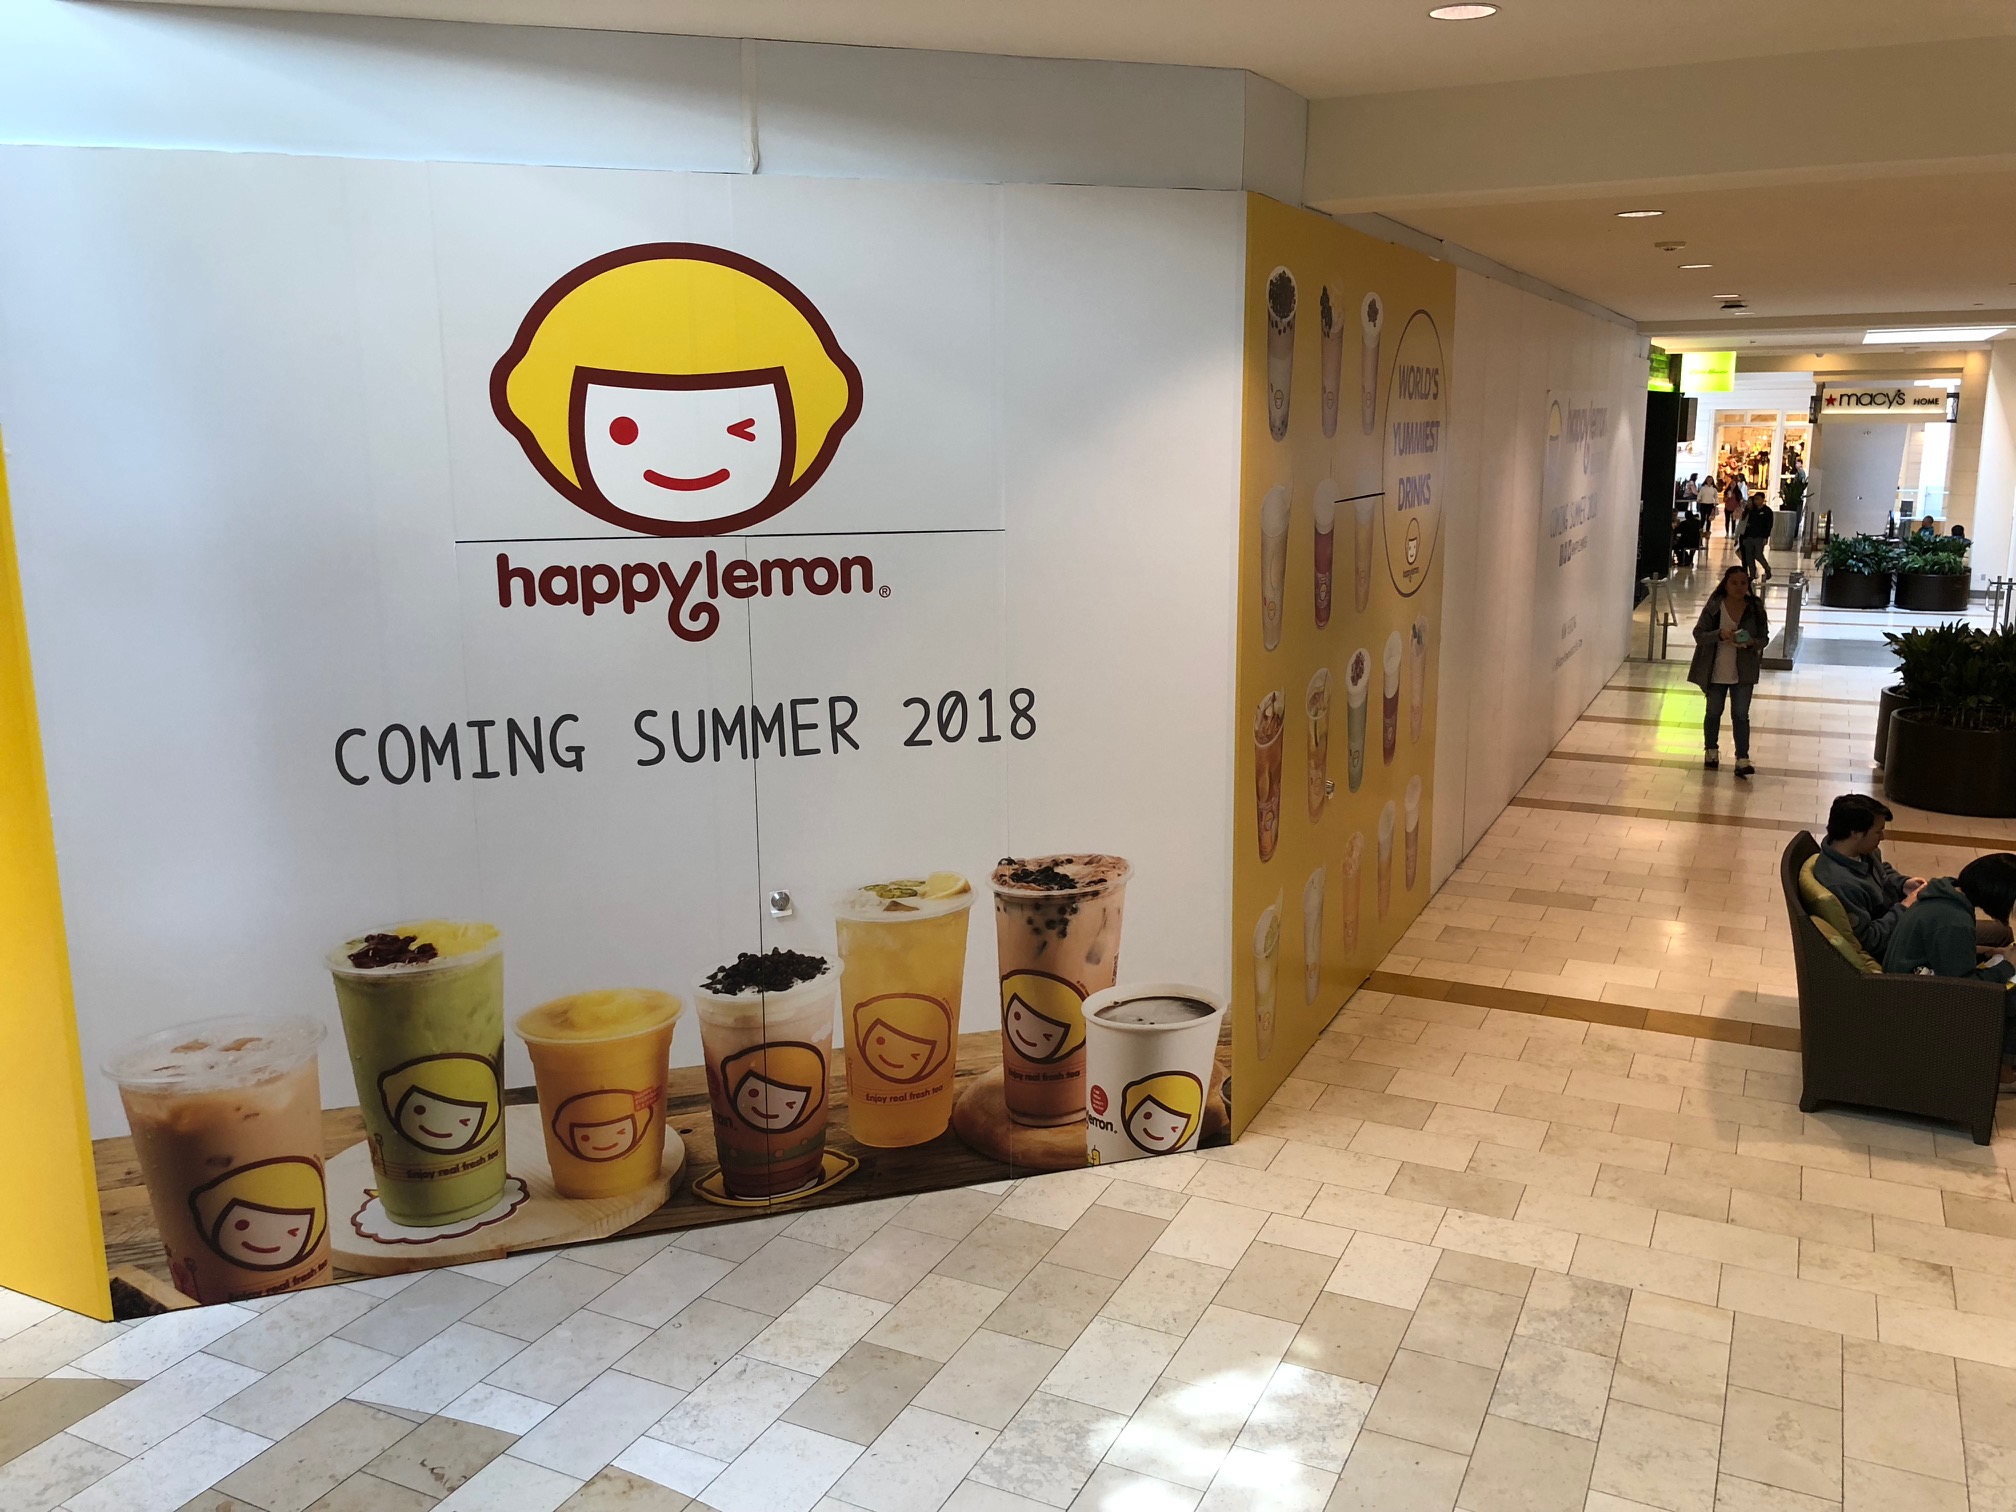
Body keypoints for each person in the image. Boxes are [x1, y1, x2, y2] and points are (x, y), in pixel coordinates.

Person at [1814, 795, 1924, 958]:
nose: (1882, 837)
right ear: (1856, 832)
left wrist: (1903, 883)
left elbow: (1882, 870)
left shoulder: (1862, 851)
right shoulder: (1842, 885)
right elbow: (1870, 940)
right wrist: (1904, 908)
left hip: (1899, 919)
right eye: (1878, 831)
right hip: (1893, 945)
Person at [1884, 853, 2016, 988]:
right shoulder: (1955, 921)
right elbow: (1964, 986)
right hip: (1911, 992)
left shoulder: (1945, 893)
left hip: (1905, 977)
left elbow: (1943, 948)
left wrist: (1988, 951)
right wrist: (2009, 965)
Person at [1687, 564, 1767, 777]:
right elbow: (1699, 634)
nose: (1739, 587)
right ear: (1725, 584)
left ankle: (1742, 758)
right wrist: (1720, 634)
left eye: (1743, 583)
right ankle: (1711, 750)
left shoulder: (1755, 608)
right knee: (1713, 711)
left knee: (1741, 714)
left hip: (1743, 671)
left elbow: (1764, 638)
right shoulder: (1715, 606)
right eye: (1734, 583)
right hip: (1715, 669)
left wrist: (1751, 642)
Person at [1739, 495, 1774, 582]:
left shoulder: (1767, 511)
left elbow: (1769, 525)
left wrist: (1766, 537)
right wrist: (1744, 537)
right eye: (1755, 499)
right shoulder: (1752, 511)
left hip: (1759, 537)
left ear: (1763, 499)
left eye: (1758, 499)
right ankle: (1752, 574)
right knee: (1749, 556)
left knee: (1758, 554)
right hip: (1749, 536)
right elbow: (1747, 524)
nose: (1756, 501)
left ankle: (1767, 568)